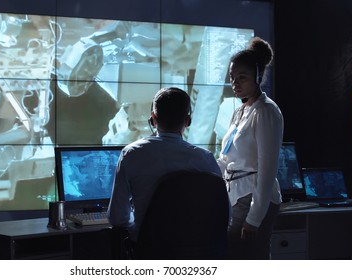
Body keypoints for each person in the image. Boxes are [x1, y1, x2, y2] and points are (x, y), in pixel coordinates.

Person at [107, 87, 223, 244]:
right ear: (188, 120)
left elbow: (117, 218)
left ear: (153, 119)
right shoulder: (205, 159)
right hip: (196, 251)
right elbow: (223, 215)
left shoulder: (131, 154)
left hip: (149, 250)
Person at [217, 37, 284, 259]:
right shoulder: (240, 111)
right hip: (236, 196)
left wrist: (254, 217)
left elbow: (268, 168)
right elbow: (226, 159)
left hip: (253, 197)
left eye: (242, 78)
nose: (235, 83)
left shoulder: (266, 111)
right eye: (232, 78)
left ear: (258, 77)